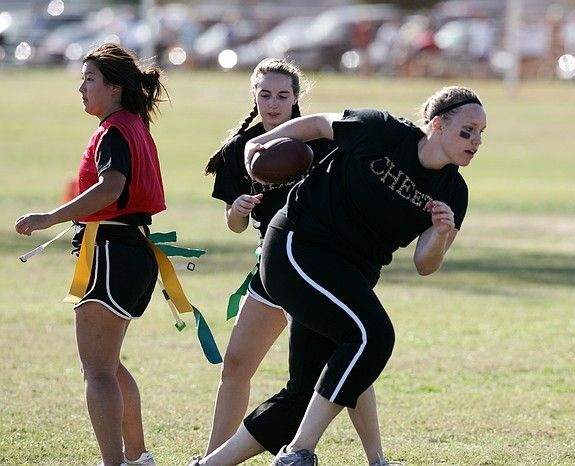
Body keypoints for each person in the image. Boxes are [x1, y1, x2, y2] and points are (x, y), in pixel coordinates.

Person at [244, 85, 486, 465]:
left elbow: (425, 264)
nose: (476, 141)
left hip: (346, 273)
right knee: (372, 336)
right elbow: (321, 125)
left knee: (314, 385)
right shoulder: (382, 129)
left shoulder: (454, 191)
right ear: (437, 124)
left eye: (481, 134)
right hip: (298, 245)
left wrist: (440, 234)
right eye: (467, 131)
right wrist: (259, 144)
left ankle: (212, 463)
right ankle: (298, 452)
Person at [197, 58, 392, 466]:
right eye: (265, 95)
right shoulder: (241, 148)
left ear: (296, 99)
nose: (273, 103)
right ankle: (213, 457)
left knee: (349, 357)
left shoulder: (320, 141)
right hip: (272, 270)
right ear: (254, 96)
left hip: (318, 269)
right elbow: (234, 225)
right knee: (236, 364)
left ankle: (376, 458)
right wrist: (237, 208)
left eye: (283, 95)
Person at [14, 43, 168, 466]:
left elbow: (110, 188)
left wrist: (50, 216)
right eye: (82, 79)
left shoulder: (115, 129)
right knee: (110, 366)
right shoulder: (133, 122)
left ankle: (115, 462)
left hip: (111, 250)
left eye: (90, 79)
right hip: (132, 250)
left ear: (115, 87)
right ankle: (137, 458)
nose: (81, 88)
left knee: (97, 371)